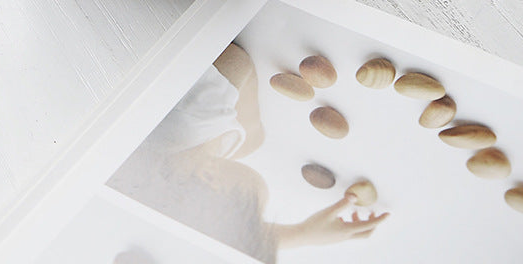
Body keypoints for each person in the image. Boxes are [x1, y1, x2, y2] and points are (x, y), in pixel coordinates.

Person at [107, 42, 388, 262]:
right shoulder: (148, 210)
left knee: (252, 142)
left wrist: (250, 123)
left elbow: (236, 60)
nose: (263, 220)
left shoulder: (197, 108)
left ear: (210, 176)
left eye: (258, 214)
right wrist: (299, 234)